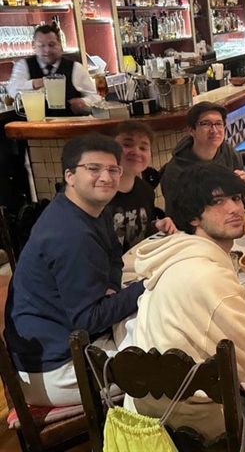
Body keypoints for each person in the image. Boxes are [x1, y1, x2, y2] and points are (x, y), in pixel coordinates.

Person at [126, 163, 245, 447]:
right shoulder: (206, 276)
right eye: (217, 202)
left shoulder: (176, 257)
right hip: (195, 429)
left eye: (236, 198)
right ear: (194, 216)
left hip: (148, 410)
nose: (235, 208)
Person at [4, 134, 145, 407]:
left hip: (67, 340)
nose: (106, 177)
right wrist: (145, 286)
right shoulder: (71, 234)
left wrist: (113, 289)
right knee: (165, 367)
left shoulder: (90, 209)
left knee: (151, 322)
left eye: (113, 169)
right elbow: (88, 319)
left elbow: (115, 258)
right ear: (70, 175)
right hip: (53, 370)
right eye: (93, 169)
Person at [160, 102, 245, 217]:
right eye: (206, 124)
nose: (214, 130)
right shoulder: (176, 170)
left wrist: (243, 185)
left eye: (219, 123)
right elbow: (176, 216)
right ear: (191, 130)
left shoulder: (228, 153)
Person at [105, 121, 177, 252]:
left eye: (143, 148)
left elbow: (141, 235)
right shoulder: (99, 193)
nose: (136, 151)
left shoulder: (146, 191)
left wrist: (157, 226)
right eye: (127, 144)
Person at [7, 24, 101, 116]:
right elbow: (12, 90)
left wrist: (84, 102)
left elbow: (96, 97)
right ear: (34, 46)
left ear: (60, 45)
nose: (47, 50)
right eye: (41, 46)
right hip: (36, 127)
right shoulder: (23, 65)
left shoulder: (75, 67)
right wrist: (34, 83)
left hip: (70, 127)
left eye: (51, 45)